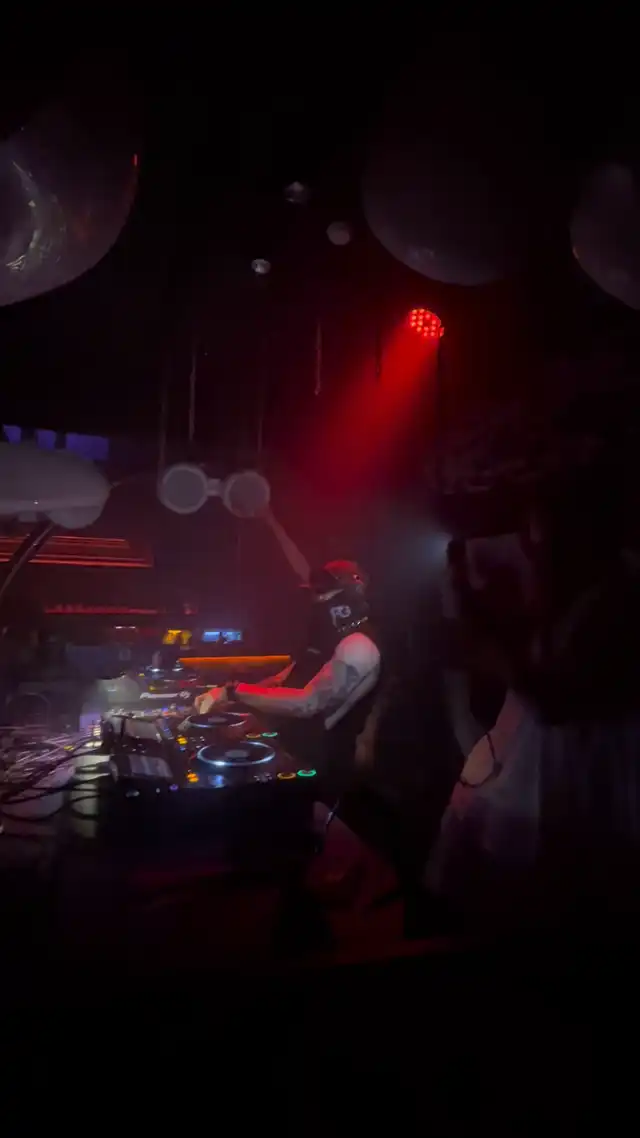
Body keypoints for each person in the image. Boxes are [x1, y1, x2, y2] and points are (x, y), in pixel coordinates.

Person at [426, 461, 640, 932]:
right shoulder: (584, 585)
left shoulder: (617, 595)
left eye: (537, 523)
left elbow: (557, 701)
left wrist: (486, 642)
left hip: (589, 789)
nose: (530, 539)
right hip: (560, 779)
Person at [196, 510, 381, 797]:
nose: (317, 601)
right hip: (296, 747)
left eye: (325, 594)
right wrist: (241, 710)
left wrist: (233, 692)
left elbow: (308, 702)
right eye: (316, 594)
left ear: (348, 599)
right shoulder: (329, 641)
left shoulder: (357, 646)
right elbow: (283, 680)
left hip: (322, 762)